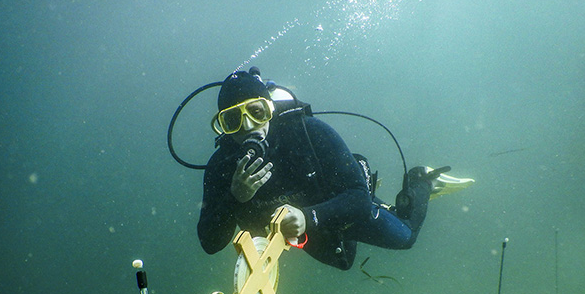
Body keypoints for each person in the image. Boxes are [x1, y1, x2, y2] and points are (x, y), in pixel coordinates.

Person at [197, 67, 468, 271]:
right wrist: (234, 196)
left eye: (256, 112)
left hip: (336, 204)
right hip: (308, 226)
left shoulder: (307, 132)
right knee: (345, 261)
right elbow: (210, 244)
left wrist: (307, 217)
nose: (248, 127)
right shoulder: (221, 167)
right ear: (222, 126)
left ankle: (421, 180)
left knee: (406, 236)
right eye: (233, 119)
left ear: (269, 109)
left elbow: (358, 199)